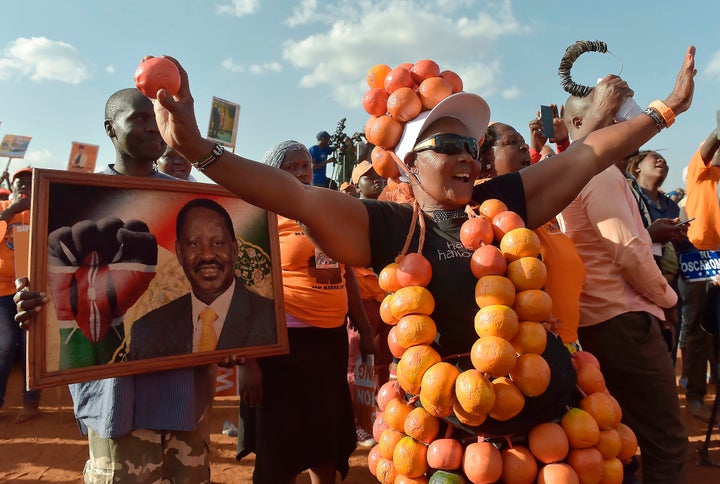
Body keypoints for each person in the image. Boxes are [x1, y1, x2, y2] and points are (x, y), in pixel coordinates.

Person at [111, 48, 693, 481]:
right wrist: (196, 148)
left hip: (547, 426)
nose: (466, 155)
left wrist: (666, 110)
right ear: (411, 162)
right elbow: (290, 196)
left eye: (471, 144)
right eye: (447, 145)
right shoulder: (388, 227)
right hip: (448, 439)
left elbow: (590, 154)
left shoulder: (507, 200)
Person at [15, 88, 213, 483]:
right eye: (137, 118)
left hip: (184, 391)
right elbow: (47, 297)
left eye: (153, 118)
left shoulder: (187, 200)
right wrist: (36, 306)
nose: (150, 126)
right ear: (110, 129)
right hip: (115, 398)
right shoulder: (69, 201)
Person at [559, 77, 688, 482]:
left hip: (599, 321)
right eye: (620, 116)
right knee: (664, 442)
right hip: (624, 322)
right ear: (590, 121)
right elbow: (626, 249)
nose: (630, 125)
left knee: (622, 442)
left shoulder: (572, 171)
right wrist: (668, 299)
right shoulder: (599, 173)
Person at [235, 140, 374, 483]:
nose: (301, 173)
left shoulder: (327, 209)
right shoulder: (260, 216)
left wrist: (365, 327)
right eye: (290, 168)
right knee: (280, 447)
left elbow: (346, 271)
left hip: (329, 343)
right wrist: (247, 361)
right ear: (272, 176)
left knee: (324, 443)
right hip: (283, 345)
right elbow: (244, 287)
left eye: (305, 166)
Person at [479, 122, 586, 347]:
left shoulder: (536, 210)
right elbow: (576, 165)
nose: (523, 147)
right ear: (485, 158)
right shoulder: (490, 215)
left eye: (523, 143)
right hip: (533, 345)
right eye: (511, 142)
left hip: (565, 341)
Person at [129, 198, 276, 359]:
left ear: (234, 249)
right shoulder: (148, 330)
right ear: (179, 252)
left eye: (218, 243)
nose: (207, 255)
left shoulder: (272, 318)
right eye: (194, 244)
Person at [677, 127, 720, 421]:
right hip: (698, 258)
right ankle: (694, 395)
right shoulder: (700, 173)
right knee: (696, 329)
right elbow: (709, 146)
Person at [0, 167, 41, 423]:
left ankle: (30, 403)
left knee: (31, 348)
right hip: (3, 292)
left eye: (30, 182)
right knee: (3, 347)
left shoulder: (44, 209)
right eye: (19, 182)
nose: (24, 186)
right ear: (12, 187)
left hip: (32, 292)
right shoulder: (3, 207)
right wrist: (10, 212)